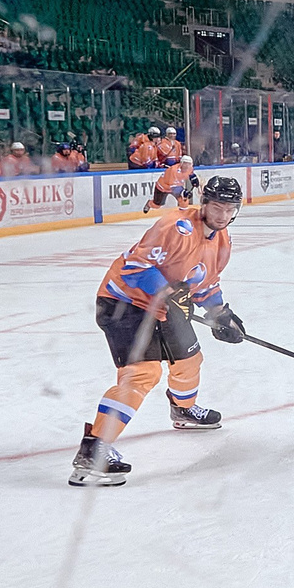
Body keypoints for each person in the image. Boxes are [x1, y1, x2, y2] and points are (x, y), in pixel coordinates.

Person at [73, 173, 248, 485]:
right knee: (143, 373)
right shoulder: (174, 226)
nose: (223, 215)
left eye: (229, 209)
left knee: (189, 358)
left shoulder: (224, 240)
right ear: (204, 203)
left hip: (164, 307)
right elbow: (135, 267)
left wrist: (222, 315)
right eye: (217, 207)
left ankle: (183, 410)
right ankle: (94, 448)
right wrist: (168, 293)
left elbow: (205, 283)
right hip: (123, 302)